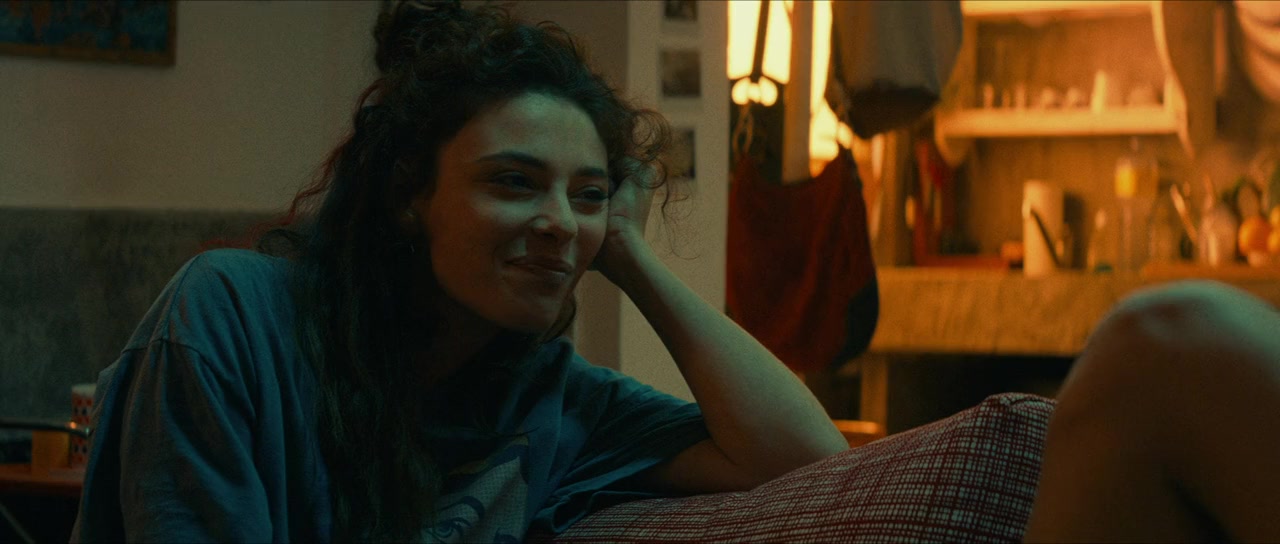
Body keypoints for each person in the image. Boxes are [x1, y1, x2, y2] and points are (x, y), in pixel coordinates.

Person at [69, 2, 848, 542]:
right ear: (410, 194)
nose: (559, 221)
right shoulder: (232, 319)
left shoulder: (548, 401)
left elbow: (808, 462)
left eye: (588, 194)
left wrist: (628, 255)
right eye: (513, 181)